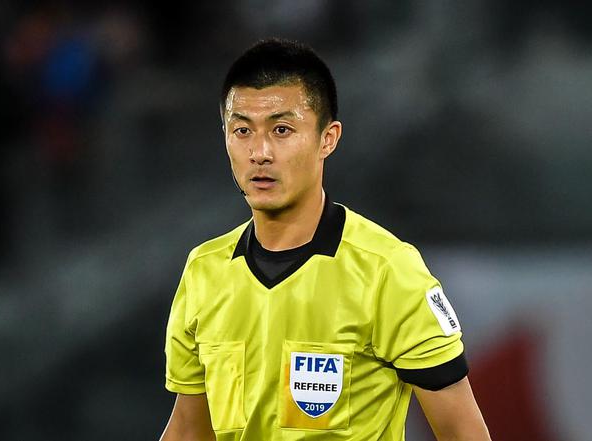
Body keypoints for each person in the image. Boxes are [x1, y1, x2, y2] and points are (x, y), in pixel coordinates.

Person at [160, 38, 491, 441]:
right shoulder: (203, 271)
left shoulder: (386, 270)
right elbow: (188, 429)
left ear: (327, 139)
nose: (259, 152)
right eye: (242, 130)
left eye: (282, 130)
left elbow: (462, 432)